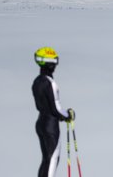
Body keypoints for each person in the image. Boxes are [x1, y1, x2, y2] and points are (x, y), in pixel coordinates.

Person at [32, 47, 75, 177]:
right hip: (51, 125)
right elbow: (56, 109)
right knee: (53, 158)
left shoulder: (36, 82)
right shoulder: (50, 83)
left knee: (46, 159)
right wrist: (69, 115)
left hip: (40, 123)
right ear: (51, 64)